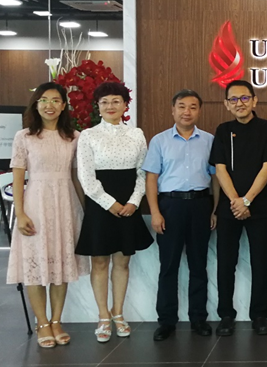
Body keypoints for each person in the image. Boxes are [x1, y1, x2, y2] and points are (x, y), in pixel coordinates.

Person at [7, 82, 90, 348]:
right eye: (43, 100)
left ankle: (56, 321)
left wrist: (85, 211)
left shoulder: (74, 137)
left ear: (64, 105)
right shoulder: (24, 137)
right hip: (36, 205)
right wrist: (20, 213)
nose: (49, 105)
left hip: (66, 204)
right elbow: (18, 177)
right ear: (36, 105)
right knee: (35, 266)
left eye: (55, 100)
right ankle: (42, 322)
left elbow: (77, 178)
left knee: (60, 266)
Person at [75, 81, 153, 342]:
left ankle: (118, 313)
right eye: (105, 102)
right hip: (100, 206)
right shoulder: (88, 136)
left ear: (125, 105)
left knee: (122, 261)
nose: (110, 106)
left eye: (116, 101)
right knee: (99, 262)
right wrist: (109, 203)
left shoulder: (137, 134)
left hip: (129, 205)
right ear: (97, 106)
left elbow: (143, 172)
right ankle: (102, 316)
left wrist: (133, 202)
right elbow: (86, 177)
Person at [142, 90, 217, 341]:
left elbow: (216, 178)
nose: (187, 112)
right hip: (170, 206)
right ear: (173, 110)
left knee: (199, 265)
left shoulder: (209, 140)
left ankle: (198, 318)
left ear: (199, 111)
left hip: (200, 205)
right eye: (182, 106)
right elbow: (151, 179)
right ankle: (166, 321)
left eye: (193, 107)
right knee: (168, 266)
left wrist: (214, 209)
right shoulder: (159, 141)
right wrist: (155, 212)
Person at [210, 80, 267, 337]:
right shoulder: (223, 130)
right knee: (225, 263)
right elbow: (220, 169)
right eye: (234, 99)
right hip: (229, 208)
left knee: (260, 262)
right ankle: (226, 315)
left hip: (259, 207)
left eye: (244, 98)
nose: (239, 103)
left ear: (254, 100)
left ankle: (260, 315)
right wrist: (235, 201)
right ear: (226, 104)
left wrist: (247, 201)